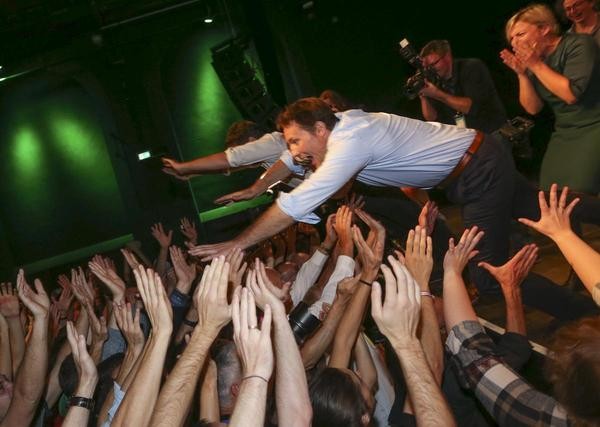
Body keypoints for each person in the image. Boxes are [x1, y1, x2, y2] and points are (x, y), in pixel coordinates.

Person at [189, 97, 521, 296]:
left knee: (487, 274)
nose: (292, 152)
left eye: (294, 141)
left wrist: (236, 245)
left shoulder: (349, 144)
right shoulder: (338, 128)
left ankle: (573, 308)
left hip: (478, 168)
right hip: (473, 164)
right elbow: (288, 162)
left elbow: (294, 204)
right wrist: (255, 189)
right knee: (542, 209)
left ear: (319, 130)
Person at [501, 3, 600, 194]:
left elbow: (570, 94)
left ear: (544, 28)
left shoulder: (578, 44)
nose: (514, 43)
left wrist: (535, 65)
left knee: (577, 195)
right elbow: (533, 108)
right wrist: (522, 74)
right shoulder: (536, 60)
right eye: (511, 39)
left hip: (594, 125)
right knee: (549, 194)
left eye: (520, 35)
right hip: (565, 131)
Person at [418, 40, 508, 134]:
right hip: (469, 140)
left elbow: (472, 107)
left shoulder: (471, 67)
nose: (431, 70)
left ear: (447, 56)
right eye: (427, 67)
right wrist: (423, 95)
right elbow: (432, 119)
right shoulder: (436, 82)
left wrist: (438, 94)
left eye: (433, 64)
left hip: (494, 132)